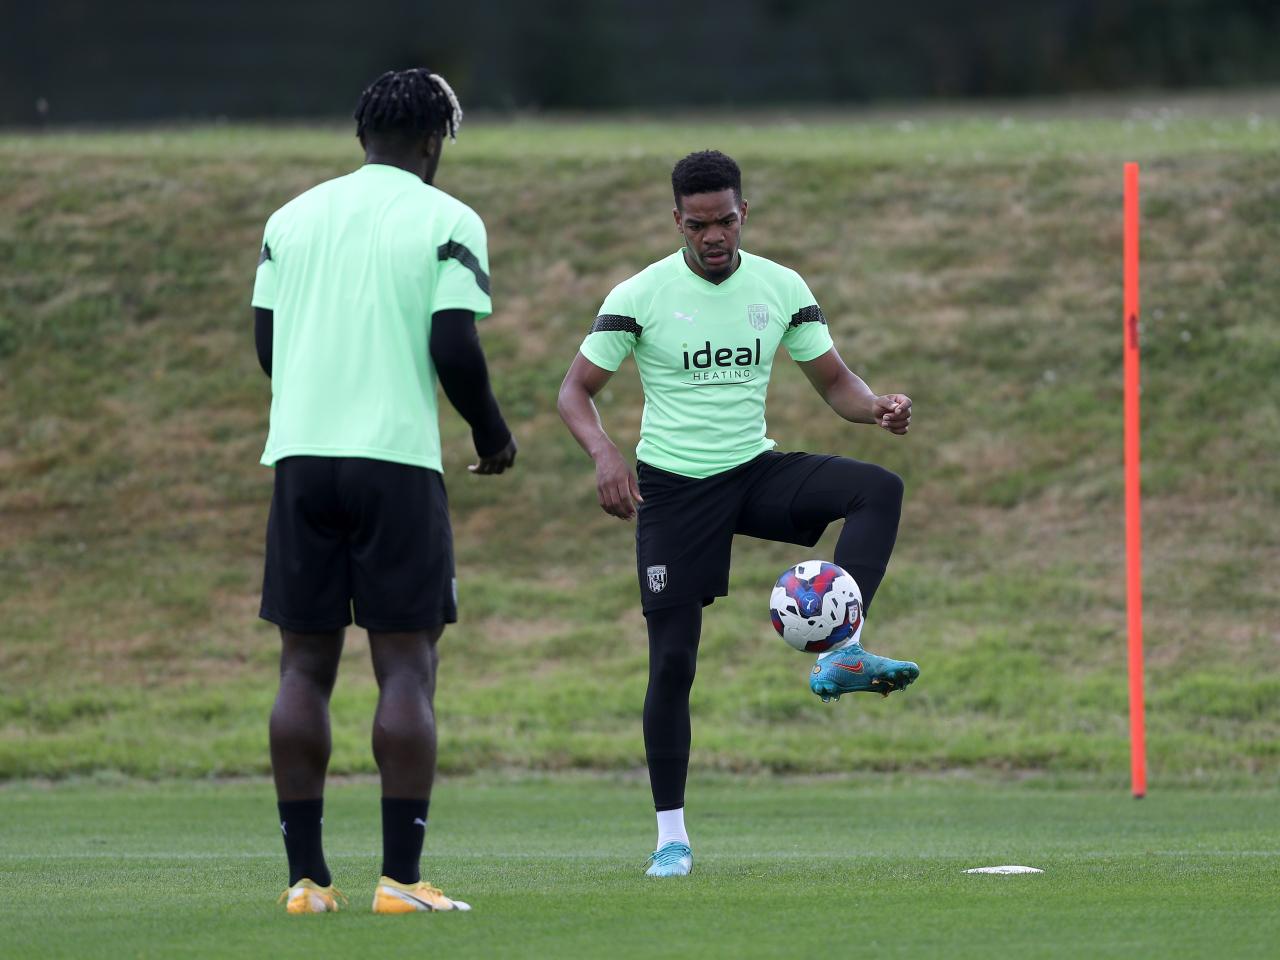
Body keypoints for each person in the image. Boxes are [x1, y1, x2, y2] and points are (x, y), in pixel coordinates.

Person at [557, 150, 919, 878]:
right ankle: (670, 838)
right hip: (674, 489)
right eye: (698, 225)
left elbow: (836, 382)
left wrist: (875, 408)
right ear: (677, 222)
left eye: (725, 220)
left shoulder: (780, 287)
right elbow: (575, 390)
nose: (713, 235)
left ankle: (843, 649)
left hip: (753, 471)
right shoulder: (641, 294)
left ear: (743, 213)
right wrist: (604, 454)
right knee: (674, 663)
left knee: (875, 489)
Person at [251, 68, 516, 914]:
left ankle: (306, 883)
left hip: (299, 457)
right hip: (395, 463)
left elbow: (268, 342)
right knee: (406, 664)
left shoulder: (289, 220)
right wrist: (491, 431)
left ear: (361, 133)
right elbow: (455, 346)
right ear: (435, 142)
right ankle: (400, 880)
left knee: (303, 664)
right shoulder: (448, 219)